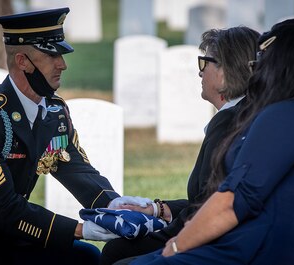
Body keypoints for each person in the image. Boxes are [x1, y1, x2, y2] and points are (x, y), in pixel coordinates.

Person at [0, 7, 150, 265]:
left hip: (11, 237)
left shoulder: (54, 112)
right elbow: (2, 209)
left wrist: (114, 205)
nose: (62, 64)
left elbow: (74, 167)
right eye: (51, 55)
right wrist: (80, 229)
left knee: (85, 258)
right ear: (22, 62)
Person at [120, 18, 294, 265]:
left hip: (257, 247)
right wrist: (161, 211)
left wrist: (178, 245)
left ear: (280, 68)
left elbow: (233, 201)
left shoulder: (283, 116)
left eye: (261, 64)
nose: (256, 73)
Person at [100, 26, 260, 265]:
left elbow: (209, 211)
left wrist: (167, 241)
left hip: (218, 245)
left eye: (205, 63)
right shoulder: (248, 113)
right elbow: (210, 198)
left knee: (116, 253)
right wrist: (159, 210)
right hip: (226, 235)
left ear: (225, 73)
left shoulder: (230, 123)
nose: (200, 73)